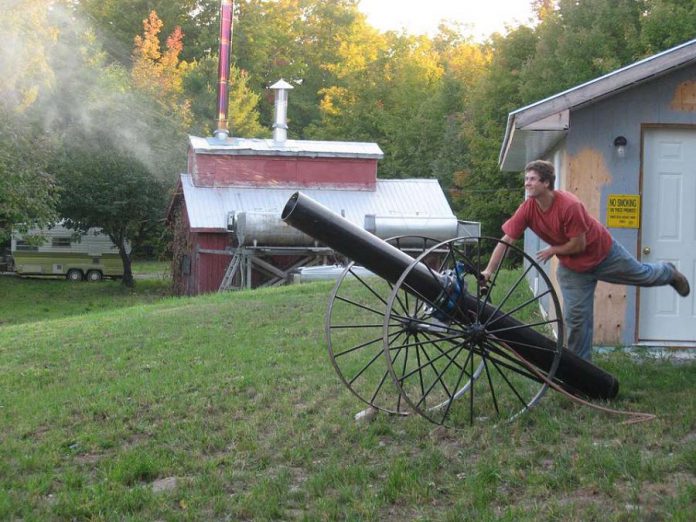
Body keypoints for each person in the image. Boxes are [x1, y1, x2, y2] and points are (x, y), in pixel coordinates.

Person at [481, 159, 690, 361]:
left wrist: (553, 249)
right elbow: (506, 240)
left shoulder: (569, 205)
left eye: (533, 179)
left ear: (546, 182)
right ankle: (582, 374)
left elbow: (579, 245)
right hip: (573, 269)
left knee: (644, 275)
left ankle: (668, 272)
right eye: (526, 179)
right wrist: (489, 271)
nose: (527, 183)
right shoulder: (527, 209)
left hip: (604, 255)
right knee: (577, 321)